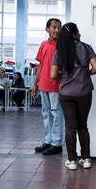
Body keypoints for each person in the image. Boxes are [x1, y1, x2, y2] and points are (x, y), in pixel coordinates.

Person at [51, 23, 96, 170]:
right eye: (78, 31)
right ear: (74, 34)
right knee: (82, 125)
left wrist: (64, 75)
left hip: (66, 94)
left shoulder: (59, 51)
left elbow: (53, 75)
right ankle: (86, 159)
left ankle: (72, 161)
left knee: (70, 127)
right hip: (84, 93)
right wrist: (85, 74)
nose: (79, 33)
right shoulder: (86, 47)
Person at [32, 18, 64, 155]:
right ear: (47, 29)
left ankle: (57, 144)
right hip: (43, 85)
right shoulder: (43, 44)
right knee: (46, 114)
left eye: (59, 27)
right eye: (54, 27)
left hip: (56, 86)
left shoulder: (62, 46)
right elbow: (40, 65)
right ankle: (48, 141)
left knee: (56, 114)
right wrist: (34, 83)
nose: (56, 30)